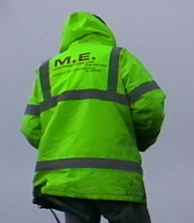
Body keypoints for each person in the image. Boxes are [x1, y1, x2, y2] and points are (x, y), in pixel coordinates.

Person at [20, 12, 165, 223]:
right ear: (103, 32)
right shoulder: (118, 58)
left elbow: (30, 127)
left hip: (67, 179)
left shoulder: (47, 70)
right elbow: (151, 104)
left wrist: (60, 144)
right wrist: (141, 138)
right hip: (116, 178)